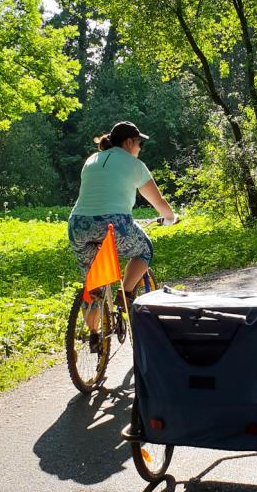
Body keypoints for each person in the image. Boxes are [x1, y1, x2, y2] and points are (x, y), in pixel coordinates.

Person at [68, 121, 177, 351]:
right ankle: (125, 293)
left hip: (78, 225)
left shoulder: (91, 161)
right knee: (144, 249)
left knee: (94, 283)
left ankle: (95, 334)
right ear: (129, 142)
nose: (140, 149)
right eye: (140, 144)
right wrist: (170, 218)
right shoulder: (134, 164)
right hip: (114, 224)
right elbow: (158, 202)